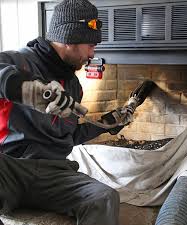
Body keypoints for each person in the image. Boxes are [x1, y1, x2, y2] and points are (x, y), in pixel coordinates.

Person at [0, 0, 135, 224]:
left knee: (104, 198)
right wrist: (33, 91)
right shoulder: (18, 61)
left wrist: (105, 124)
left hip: (54, 173)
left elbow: (67, 136)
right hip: (10, 167)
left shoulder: (74, 87)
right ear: (70, 37)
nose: (93, 54)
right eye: (91, 45)